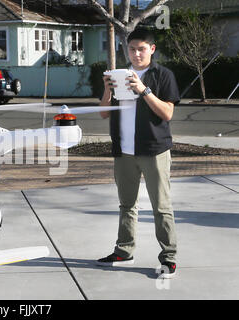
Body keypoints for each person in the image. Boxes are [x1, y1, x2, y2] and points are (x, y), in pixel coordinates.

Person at [97, 28, 180, 279]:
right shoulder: (118, 75)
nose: (135, 53)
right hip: (124, 151)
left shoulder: (162, 75)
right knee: (127, 205)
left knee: (161, 207)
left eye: (141, 49)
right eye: (131, 49)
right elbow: (103, 113)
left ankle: (169, 258)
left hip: (154, 150)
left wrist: (144, 90)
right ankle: (124, 252)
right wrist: (108, 89)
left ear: (152, 49)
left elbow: (167, 113)